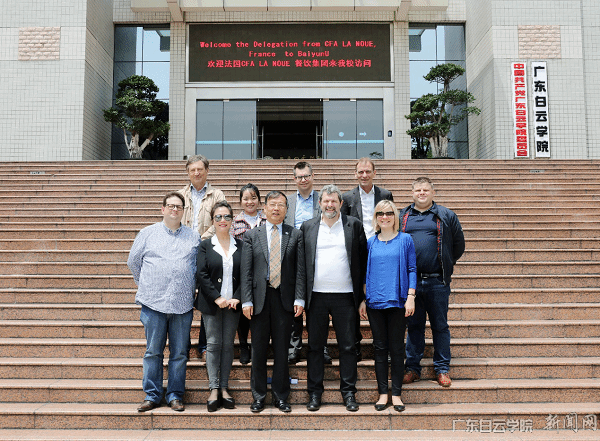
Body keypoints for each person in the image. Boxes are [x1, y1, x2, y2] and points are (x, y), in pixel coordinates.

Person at [127, 192, 199, 413]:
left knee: (180, 353)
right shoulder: (147, 233)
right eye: (170, 206)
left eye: (179, 207)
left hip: (182, 304)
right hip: (153, 303)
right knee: (153, 352)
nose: (174, 209)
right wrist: (147, 284)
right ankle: (152, 395)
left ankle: (175, 395)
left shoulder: (193, 237)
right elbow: (133, 262)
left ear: (184, 211)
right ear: (163, 209)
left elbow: (197, 268)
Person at [301, 184, 367, 412]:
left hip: (346, 297)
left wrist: (362, 297)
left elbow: (363, 261)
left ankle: (349, 393)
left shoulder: (353, 225)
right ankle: (314, 393)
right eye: (326, 201)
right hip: (316, 297)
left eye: (334, 201)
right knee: (315, 347)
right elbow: (302, 265)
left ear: (341, 203)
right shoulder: (308, 227)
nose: (330, 205)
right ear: (319, 203)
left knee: (348, 347)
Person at [241, 191, 306, 413]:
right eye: (272, 204)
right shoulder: (252, 235)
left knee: (281, 351)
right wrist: (246, 300)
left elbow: (300, 270)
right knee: (258, 351)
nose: (276, 208)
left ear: (286, 210)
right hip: (259, 300)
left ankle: (281, 396)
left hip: (284, 299)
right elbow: (246, 271)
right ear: (265, 208)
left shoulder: (295, 234)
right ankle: (258, 396)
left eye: (281, 205)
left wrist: (299, 297)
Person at [400, 177, 465, 387]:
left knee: (440, 326)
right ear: (412, 193)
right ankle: (412, 368)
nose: (422, 193)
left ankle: (442, 369)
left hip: (437, 280)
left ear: (433, 193)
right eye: (418, 190)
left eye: (425, 190)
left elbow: (458, 245)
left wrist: (445, 261)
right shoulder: (403, 216)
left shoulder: (446, 215)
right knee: (414, 326)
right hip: (411, 284)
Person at [359, 200, 416, 412]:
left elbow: (412, 269)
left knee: (397, 348)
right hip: (375, 302)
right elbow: (365, 273)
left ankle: (397, 394)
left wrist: (411, 296)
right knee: (380, 348)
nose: (385, 217)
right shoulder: (370, 242)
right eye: (380, 214)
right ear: (376, 217)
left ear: (395, 216)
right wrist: (363, 299)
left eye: (389, 213)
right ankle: (383, 393)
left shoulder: (405, 240)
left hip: (398, 301)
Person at [341, 157, 394, 360]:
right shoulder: (347, 197)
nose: (364, 175)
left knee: (382, 296)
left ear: (374, 173)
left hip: (380, 250)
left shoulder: (385, 194)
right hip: (356, 254)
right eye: (360, 172)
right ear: (355, 174)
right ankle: (355, 344)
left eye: (368, 171)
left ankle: (383, 345)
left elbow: (391, 219)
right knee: (354, 298)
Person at [196, 201, 243, 412]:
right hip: (212, 303)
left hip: (232, 305)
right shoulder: (205, 245)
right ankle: (214, 388)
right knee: (213, 344)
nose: (223, 220)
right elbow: (201, 274)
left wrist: (237, 297)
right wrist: (216, 297)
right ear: (212, 221)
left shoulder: (241, 245)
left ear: (232, 220)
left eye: (227, 217)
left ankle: (224, 387)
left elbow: (246, 275)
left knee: (228, 345)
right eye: (218, 217)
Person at [179, 154, 226, 361]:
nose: (196, 173)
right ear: (188, 172)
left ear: (207, 171)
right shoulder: (180, 195)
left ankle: (204, 345)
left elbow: (221, 220)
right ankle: (183, 344)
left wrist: (199, 240)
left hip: (208, 252)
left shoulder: (217, 195)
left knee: (208, 299)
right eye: (192, 170)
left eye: (200, 169)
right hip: (183, 254)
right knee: (183, 300)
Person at [283, 161, 325, 364]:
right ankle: (294, 347)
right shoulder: (288, 201)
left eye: (307, 175)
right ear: (294, 179)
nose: (303, 180)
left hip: (319, 255)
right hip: (293, 257)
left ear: (313, 176)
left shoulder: (322, 199)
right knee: (295, 302)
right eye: (299, 177)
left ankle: (321, 347)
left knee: (318, 305)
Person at [231, 183, 266, 365]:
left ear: (259, 200)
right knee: (242, 309)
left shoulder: (267, 219)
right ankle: (244, 345)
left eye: (253, 198)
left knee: (261, 309)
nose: (250, 202)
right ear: (240, 201)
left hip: (263, 270)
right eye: (246, 198)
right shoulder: (234, 222)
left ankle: (259, 346)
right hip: (241, 271)